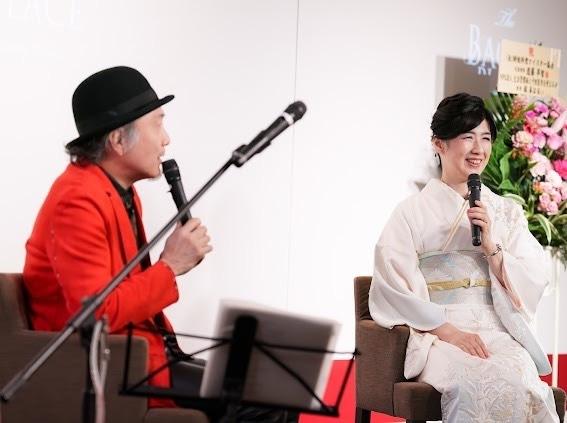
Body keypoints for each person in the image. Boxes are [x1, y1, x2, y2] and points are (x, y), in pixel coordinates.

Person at [23, 66, 298, 422]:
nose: (166, 139)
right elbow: (95, 315)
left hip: (141, 353)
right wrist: (170, 266)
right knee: (266, 401)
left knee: (278, 390)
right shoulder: (77, 200)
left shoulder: (118, 192)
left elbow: (122, 291)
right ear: (118, 140)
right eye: (157, 125)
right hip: (101, 368)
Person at [368, 93, 560, 422]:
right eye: (467, 137)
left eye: (485, 138)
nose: (478, 149)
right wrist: (449, 332)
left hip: (496, 332)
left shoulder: (504, 211)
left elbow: (535, 275)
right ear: (438, 143)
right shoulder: (410, 213)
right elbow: (392, 283)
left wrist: (492, 249)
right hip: (437, 335)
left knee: (524, 383)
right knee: (474, 384)